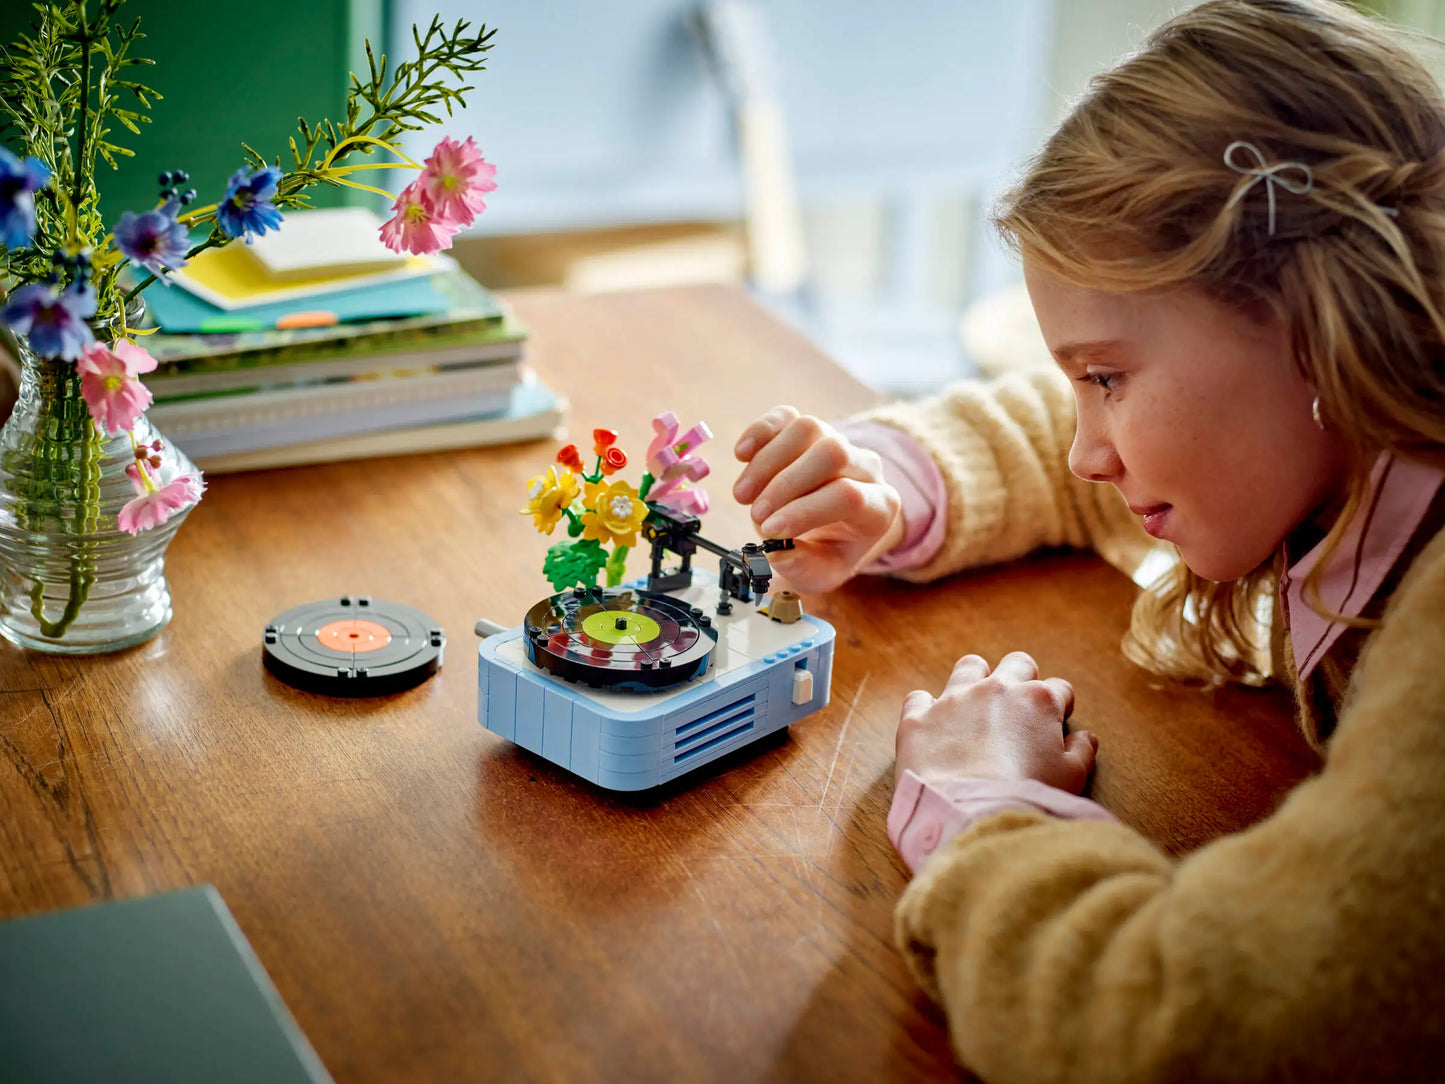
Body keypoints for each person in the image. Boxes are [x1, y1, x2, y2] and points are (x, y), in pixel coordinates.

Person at [731, 1, 1445, 1079]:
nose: (1085, 455)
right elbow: (1050, 434)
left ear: (1317, 317)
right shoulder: (1343, 447)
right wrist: (888, 485)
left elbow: (1186, 1028)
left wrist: (984, 812)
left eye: (1104, 378)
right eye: (1081, 381)